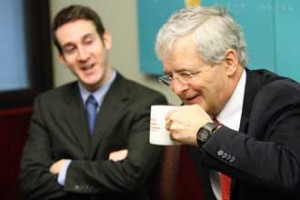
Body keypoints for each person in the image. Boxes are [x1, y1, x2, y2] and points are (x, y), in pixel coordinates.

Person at [20, 4, 168, 200]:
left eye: (88, 42)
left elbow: (131, 176)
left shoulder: (148, 102)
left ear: (105, 40)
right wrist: (110, 172)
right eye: (70, 48)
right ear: (62, 58)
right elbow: (30, 181)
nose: (83, 56)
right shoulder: (47, 105)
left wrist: (65, 168)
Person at [155, 6, 300, 200]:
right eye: (170, 76)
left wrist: (207, 134)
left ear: (229, 62)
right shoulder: (194, 109)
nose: (177, 88)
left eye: (186, 74)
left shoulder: (282, 96)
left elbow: (291, 172)